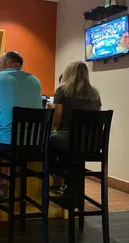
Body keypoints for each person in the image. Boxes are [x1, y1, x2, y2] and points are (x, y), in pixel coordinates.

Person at [0, 51, 42, 199]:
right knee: (12, 147)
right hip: (34, 143)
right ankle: (5, 183)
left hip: (8, 143)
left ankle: (0, 182)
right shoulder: (35, 80)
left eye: (0, 63)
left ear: (8, 63)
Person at [49, 61, 101, 194]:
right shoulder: (95, 93)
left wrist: (58, 128)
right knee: (68, 146)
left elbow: (57, 119)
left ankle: (58, 179)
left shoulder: (62, 90)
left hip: (70, 140)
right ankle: (71, 183)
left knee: (49, 140)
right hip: (92, 143)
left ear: (68, 74)